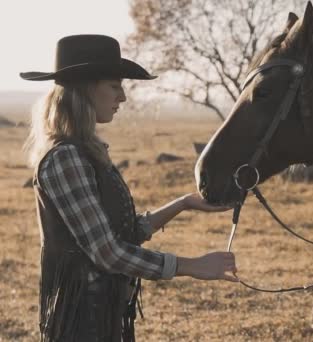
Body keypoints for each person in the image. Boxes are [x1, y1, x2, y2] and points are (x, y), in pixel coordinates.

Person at [21, 34, 237, 342]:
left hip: (102, 315)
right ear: (85, 89)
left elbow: (122, 234)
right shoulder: (66, 158)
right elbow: (107, 252)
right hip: (81, 323)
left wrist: (184, 203)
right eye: (114, 86)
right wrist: (192, 266)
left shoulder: (86, 152)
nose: (122, 97)